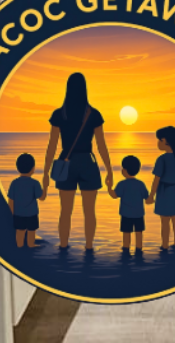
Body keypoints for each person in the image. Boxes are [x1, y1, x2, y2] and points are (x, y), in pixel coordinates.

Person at [41, 71, 112, 253]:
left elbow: (52, 146)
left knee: (65, 211)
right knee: (89, 211)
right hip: (87, 163)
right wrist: (109, 171)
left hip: (66, 162)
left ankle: (64, 246)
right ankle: (88, 247)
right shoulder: (93, 114)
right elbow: (101, 146)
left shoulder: (59, 114)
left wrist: (45, 174)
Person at [150, 126, 175, 249]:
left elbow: (156, 179)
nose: (158, 143)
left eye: (159, 140)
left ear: (165, 141)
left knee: (165, 222)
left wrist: (151, 195)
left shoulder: (162, 159)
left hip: (164, 191)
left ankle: (165, 245)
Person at [111, 155, 148, 256]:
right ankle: (139, 249)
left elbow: (114, 195)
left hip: (126, 214)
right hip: (139, 214)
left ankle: (126, 249)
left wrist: (109, 187)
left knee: (126, 233)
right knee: (139, 232)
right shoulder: (141, 184)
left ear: (125, 170)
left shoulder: (122, 184)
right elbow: (146, 197)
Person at [6, 153, 43, 249]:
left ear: (17, 168)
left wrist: (12, 213)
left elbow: (11, 200)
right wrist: (45, 188)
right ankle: (31, 244)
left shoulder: (14, 183)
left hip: (18, 214)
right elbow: (41, 197)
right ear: (33, 168)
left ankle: (19, 245)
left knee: (20, 231)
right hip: (32, 214)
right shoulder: (35, 183)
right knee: (31, 231)